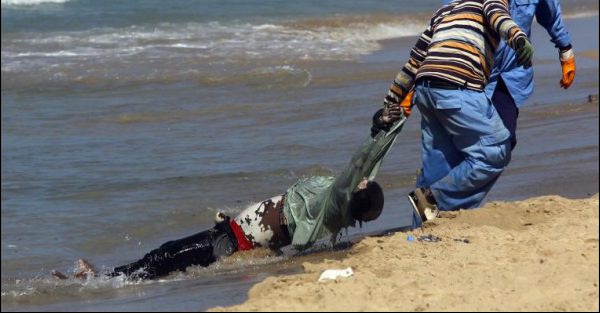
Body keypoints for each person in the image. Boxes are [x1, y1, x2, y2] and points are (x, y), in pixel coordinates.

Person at [53, 110, 408, 281]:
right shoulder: (346, 203)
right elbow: (374, 160)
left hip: (233, 242)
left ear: (355, 194)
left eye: (364, 185)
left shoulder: (335, 200)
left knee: (166, 256)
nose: (364, 180)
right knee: (167, 257)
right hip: (234, 233)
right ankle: (108, 275)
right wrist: (397, 117)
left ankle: (104, 278)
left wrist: (377, 128)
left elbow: (359, 162)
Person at [377, 0, 533, 224]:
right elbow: (499, 17)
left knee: (437, 167)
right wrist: (518, 39)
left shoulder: (444, 11)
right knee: (494, 151)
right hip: (458, 87)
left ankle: (422, 229)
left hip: (425, 91)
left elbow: (413, 63)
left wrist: (389, 104)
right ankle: (433, 200)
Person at [444, 0, 576, 150]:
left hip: (512, 73)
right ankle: (440, 187)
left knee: (505, 141)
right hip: (475, 74)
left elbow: (547, 8)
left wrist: (565, 48)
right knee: (470, 146)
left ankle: (453, 186)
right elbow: (446, 22)